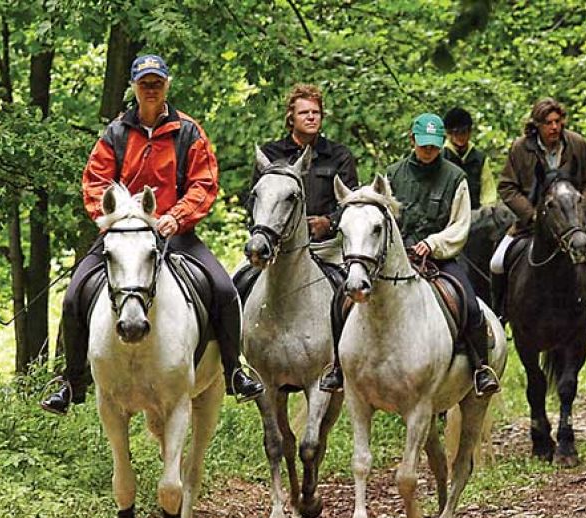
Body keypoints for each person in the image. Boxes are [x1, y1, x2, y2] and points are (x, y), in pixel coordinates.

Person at [40, 54, 264, 414]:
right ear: (134, 87)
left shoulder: (188, 131)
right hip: (124, 234)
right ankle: (71, 381)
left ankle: (234, 370)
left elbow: (203, 183)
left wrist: (177, 216)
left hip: (174, 232)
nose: (151, 89)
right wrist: (113, 217)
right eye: (144, 83)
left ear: (166, 86)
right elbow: (95, 182)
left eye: (157, 83)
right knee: (72, 297)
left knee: (223, 289)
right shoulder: (115, 133)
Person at [318, 113, 500, 396]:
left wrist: (434, 243)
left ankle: (480, 369)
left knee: (470, 304)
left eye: (434, 146)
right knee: (341, 299)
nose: (429, 151)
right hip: (394, 257)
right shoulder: (392, 174)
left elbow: (460, 225)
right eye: (424, 144)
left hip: (438, 257)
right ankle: (337, 368)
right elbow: (377, 216)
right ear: (412, 139)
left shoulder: (456, 178)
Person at [490, 97, 586, 349]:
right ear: (536, 125)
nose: (554, 127)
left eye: (558, 121)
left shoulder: (577, 144)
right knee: (497, 262)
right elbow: (507, 186)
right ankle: (499, 318)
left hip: (575, 224)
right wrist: (531, 214)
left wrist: (577, 211)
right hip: (532, 227)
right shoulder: (520, 148)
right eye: (548, 123)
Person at [234, 83, 358, 296]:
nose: (311, 117)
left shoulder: (340, 155)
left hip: (327, 249)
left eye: (316, 112)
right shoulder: (270, 155)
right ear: (291, 118)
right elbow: (254, 202)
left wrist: (329, 223)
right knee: (234, 287)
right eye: (304, 112)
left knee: (354, 294)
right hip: (276, 248)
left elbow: (352, 203)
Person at [441, 107, 486, 211]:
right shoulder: (440, 158)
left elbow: (488, 195)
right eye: (456, 132)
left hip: (475, 215)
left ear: (470, 132)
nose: (460, 136)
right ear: (448, 134)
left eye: (463, 132)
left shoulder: (480, 159)